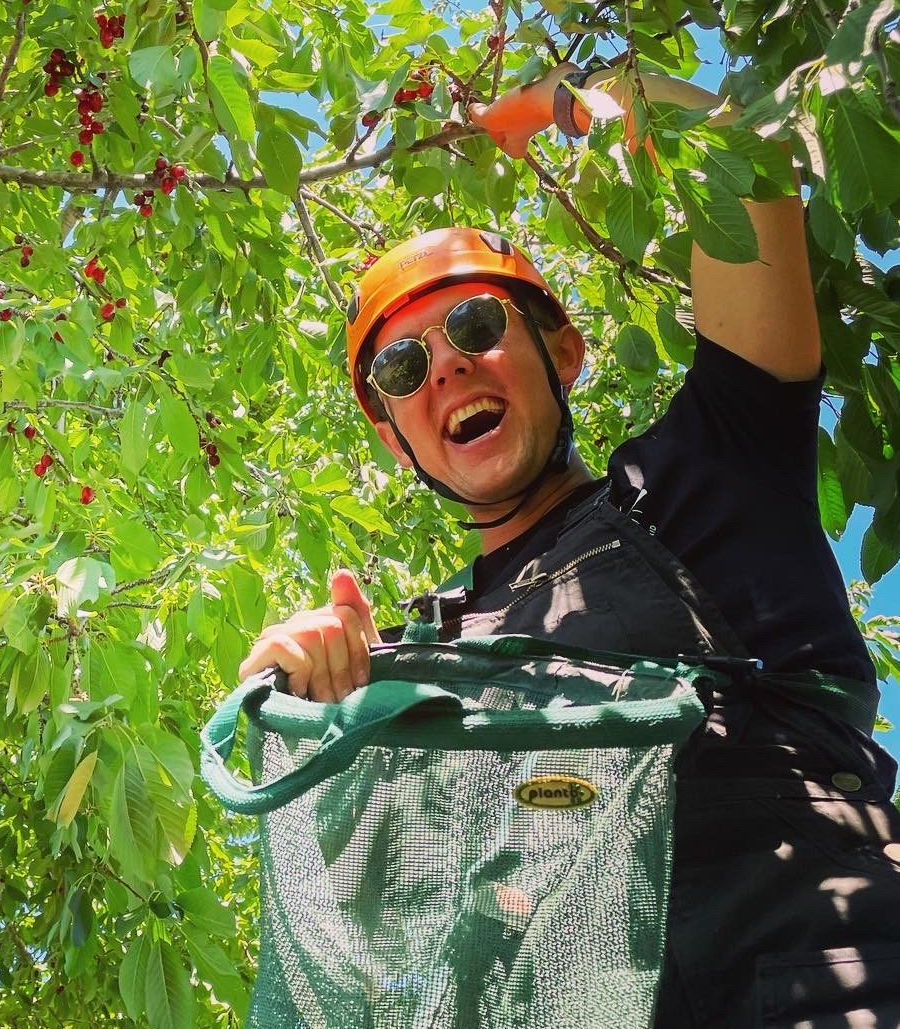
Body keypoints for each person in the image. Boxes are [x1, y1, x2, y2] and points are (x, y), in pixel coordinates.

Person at [237, 61, 900, 1027]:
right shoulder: (422, 656)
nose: (447, 361)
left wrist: (573, 99)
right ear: (393, 431)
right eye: (401, 363)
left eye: (474, 322)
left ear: (564, 351)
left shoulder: (708, 469)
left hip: (823, 961)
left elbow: (745, 164)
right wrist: (315, 715)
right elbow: (385, 927)